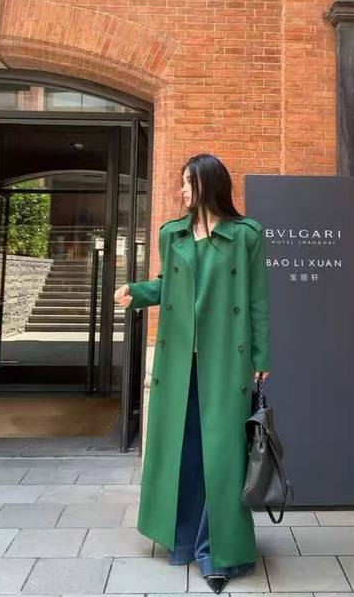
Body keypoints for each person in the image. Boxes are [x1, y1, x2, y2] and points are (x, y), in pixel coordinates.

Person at [114, 153, 271, 593]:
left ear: (208, 184)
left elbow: (258, 301)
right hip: (179, 362)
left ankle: (218, 551)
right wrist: (136, 293)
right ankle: (183, 539)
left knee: (222, 455)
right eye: (182, 182)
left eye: (188, 182)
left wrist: (262, 357)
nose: (182, 190)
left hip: (226, 362)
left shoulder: (246, 236)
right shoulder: (173, 234)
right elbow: (169, 287)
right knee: (183, 450)